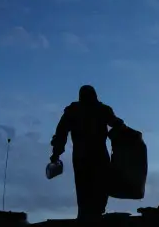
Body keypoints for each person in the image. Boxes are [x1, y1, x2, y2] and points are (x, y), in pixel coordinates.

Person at [50, 85, 127, 219]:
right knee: (90, 185)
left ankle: (91, 214)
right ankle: (89, 214)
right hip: (91, 154)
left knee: (93, 185)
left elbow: (61, 133)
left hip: (88, 154)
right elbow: (61, 132)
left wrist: (56, 152)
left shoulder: (79, 110)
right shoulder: (97, 109)